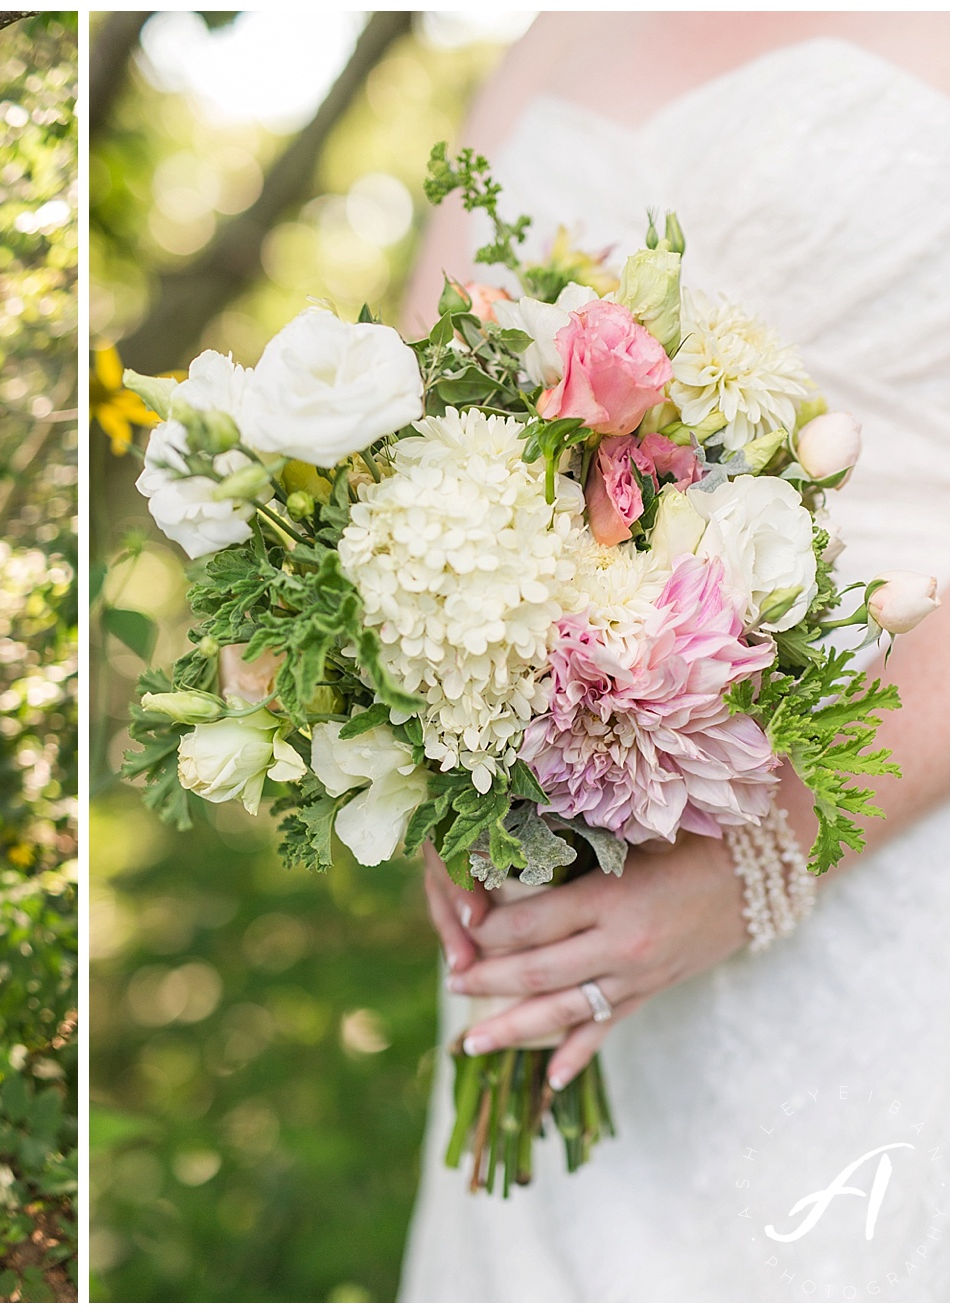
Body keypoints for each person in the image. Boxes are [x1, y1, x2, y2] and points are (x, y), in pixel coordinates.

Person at [398, 14, 949, 1301]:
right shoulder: (547, 33)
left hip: (903, 863)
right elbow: (415, 418)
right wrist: (440, 758)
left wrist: (758, 858)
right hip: (548, 891)